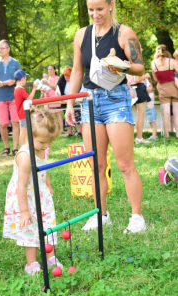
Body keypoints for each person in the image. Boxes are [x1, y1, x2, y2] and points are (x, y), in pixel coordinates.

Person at [65, 0, 147, 233]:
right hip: (89, 100)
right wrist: (70, 103)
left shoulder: (124, 33)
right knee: (96, 164)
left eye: (99, 9)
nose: (95, 14)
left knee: (124, 164)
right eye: (91, 10)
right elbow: (77, 70)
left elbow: (139, 67)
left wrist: (121, 66)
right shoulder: (81, 35)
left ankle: (137, 217)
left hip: (116, 99)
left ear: (111, 5)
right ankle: (101, 215)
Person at [3, 108, 63, 275]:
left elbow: (43, 168)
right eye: (43, 143)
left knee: (48, 225)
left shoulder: (43, 148)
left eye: (49, 142)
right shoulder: (25, 156)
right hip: (26, 197)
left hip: (41, 193)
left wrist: (48, 184)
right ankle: (32, 263)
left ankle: (50, 258)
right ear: (29, 135)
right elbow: (20, 186)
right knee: (30, 230)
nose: (47, 146)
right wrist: (24, 212)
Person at [0, 39, 21, 156]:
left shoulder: (15, 63)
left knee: (15, 123)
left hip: (14, 96)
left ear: (8, 49)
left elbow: (21, 79)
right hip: (0, 97)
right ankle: (6, 147)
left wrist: (14, 81)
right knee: (2, 124)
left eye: (1, 48)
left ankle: (16, 148)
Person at [151, 45, 178, 139]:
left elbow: (155, 79)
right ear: (167, 51)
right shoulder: (172, 61)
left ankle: (166, 134)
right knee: (176, 111)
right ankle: (177, 134)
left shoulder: (153, 63)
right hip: (174, 87)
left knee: (166, 112)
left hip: (162, 88)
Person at [14, 70, 38, 147]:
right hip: (23, 114)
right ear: (23, 78)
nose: (26, 80)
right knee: (23, 131)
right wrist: (34, 88)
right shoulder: (20, 89)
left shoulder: (16, 89)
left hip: (21, 113)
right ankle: (22, 148)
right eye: (25, 78)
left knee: (25, 131)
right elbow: (29, 98)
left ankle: (25, 146)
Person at [56, 67, 82, 137]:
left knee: (78, 116)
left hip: (76, 101)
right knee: (67, 117)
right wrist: (65, 101)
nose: (67, 79)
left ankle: (79, 132)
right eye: (66, 78)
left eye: (69, 77)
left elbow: (81, 92)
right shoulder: (61, 81)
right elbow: (58, 94)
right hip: (65, 102)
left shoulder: (76, 80)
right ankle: (69, 133)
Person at [126, 71, 152, 144]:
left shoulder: (128, 66)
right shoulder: (136, 65)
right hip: (139, 88)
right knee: (141, 115)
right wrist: (145, 75)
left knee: (139, 115)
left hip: (133, 90)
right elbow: (137, 79)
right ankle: (139, 138)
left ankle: (138, 138)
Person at [43, 66, 65, 134]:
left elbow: (55, 87)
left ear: (54, 70)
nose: (49, 71)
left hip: (55, 98)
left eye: (51, 69)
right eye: (48, 69)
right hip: (47, 98)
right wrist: (42, 89)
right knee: (47, 114)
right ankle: (50, 129)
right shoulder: (47, 78)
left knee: (57, 113)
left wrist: (48, 84)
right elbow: (42, 86)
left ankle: (61, 129)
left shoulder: (57, 78)